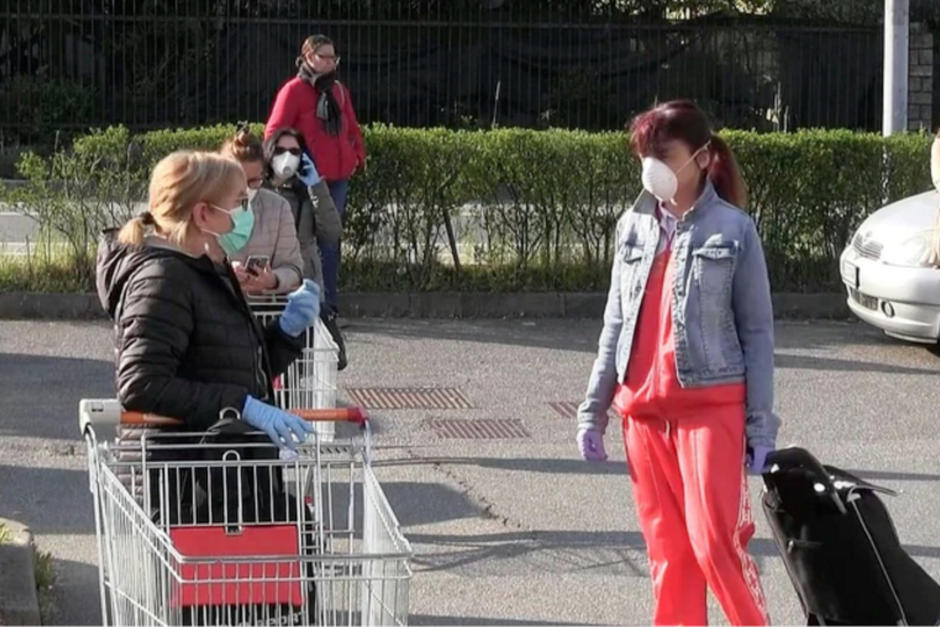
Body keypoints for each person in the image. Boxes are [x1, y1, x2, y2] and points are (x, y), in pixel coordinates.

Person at [576, 100, 775, 626]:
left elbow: (757, 333)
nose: (652, 167)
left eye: (663, 155)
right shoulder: (633, 226)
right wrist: (593, 411)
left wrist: (760, 426)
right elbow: (615, 322)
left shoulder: (734, 230)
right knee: (670, 555)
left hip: (710, 409)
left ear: (702, 158)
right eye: (645, 155)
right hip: (642, 415)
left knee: (715, 545)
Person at [96, 150, 321, 450]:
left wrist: (285, 332)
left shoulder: (205, 268)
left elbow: (227, 366)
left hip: (218, 464)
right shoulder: (163, 279)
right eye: (239, 203)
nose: (247, 213)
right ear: (203, 214)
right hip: (181, 469)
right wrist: (241, 405)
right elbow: (142, 384)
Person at [264, 33, 365, 320]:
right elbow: (273, 133)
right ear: (308, 57)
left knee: (331, 240)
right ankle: (306, 304)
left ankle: (328, 307)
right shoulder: (293, 91)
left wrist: (357, 156)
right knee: (304, 243)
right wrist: (294, 165)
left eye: (334, 58)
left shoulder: (338, 91)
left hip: (338, 177)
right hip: (305, 181)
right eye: (325, 57)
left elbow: (351, 127)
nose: (331, 63)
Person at [263, 126, 347, 370]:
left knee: (302, 366)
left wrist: (316, 186)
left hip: (303, 285)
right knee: (267, 359)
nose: (287, 156)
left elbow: (331, 232)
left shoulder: (308, 191)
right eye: (280, 150)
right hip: (263, 291)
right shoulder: (258, 190)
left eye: (294, 151)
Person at [220, 124, 304, 295]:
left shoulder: (278, 207)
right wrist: (224, 271)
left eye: (253, 181)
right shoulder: (205, 207)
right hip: (215, 304)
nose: (245, 190)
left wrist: (273, 280)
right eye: (238, 181)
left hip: (262, 305)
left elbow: (294, 268)